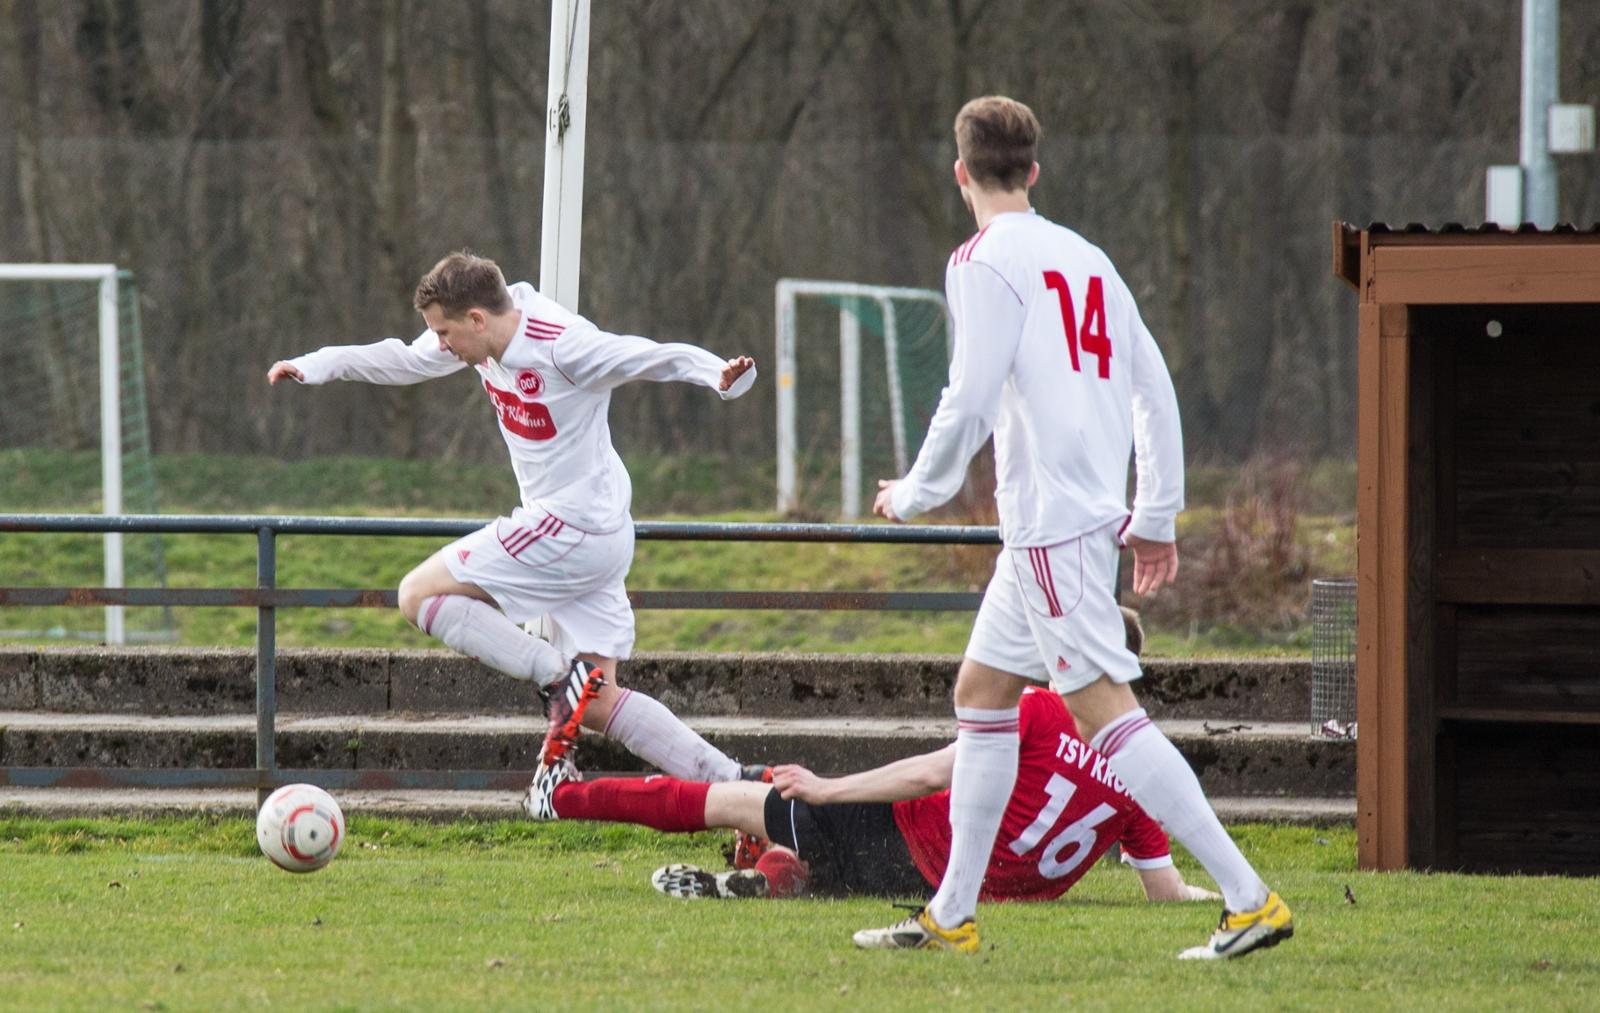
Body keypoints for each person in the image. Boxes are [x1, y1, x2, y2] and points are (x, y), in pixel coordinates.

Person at [857, 96, 1291, 959]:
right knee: (982, 693)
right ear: (1034, 171)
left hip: (1053, 526)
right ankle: (952, 912)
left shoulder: (981, 259)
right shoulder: (1088, 257)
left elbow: (968, 396)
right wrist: (1156, 513)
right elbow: (1153, 386)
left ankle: (1249, 899)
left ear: (960, 174)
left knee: (1105, 713)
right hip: (1060, 526)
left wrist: (914, 493)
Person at [267, 252, 765, 800]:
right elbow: (403, 360)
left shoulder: (563, 346)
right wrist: (317, 364)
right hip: (600, 535)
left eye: (444, 332)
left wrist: (719, 376)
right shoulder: (483, 334)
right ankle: (740, 787)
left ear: (477, 319)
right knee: (600, 705)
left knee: (417, 595)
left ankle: (558, 676)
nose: (441, 344)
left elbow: (648, 356)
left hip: (567, 528)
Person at [526, 685, 1219, 908]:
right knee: (807, 843)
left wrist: (829, 788)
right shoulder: (1140, 775)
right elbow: (1166, 892)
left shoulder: (1040, 710)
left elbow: (929, 776)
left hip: (904, 841)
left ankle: (561, 799)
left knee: (730, 796)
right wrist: (1225, 892)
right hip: (937, 884)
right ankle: (777, 872)